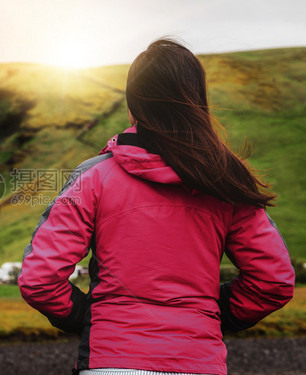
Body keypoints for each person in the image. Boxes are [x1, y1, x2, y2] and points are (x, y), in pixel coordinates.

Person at [17, 38, 295, 375]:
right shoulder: (226, 182)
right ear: (198, 101)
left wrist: (88, 315)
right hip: (199, 360)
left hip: (111, 358)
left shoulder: (93, 177)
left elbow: (39, 279)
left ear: (133, 104)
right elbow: (273, 280)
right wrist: (210, 311)